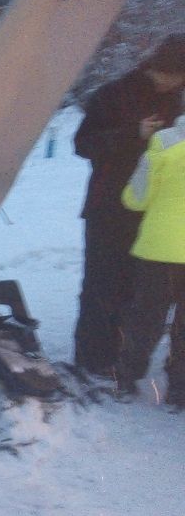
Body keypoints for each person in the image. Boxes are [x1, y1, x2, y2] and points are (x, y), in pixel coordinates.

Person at [72, 34, 185, 378]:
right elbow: (83, 145)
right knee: (103, 284)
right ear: (165, 69)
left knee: (138, 291)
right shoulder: (112, 95)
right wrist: (133, 133)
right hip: (108, 207)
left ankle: (123, 358)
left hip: (151, 213)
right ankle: (92, 358)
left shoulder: (175, 100)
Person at [114, 110, 185, 405]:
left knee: (146, 318)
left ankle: (127, 379)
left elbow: (135, 199)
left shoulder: (164, 141)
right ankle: (180, 392)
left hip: (158, 250)